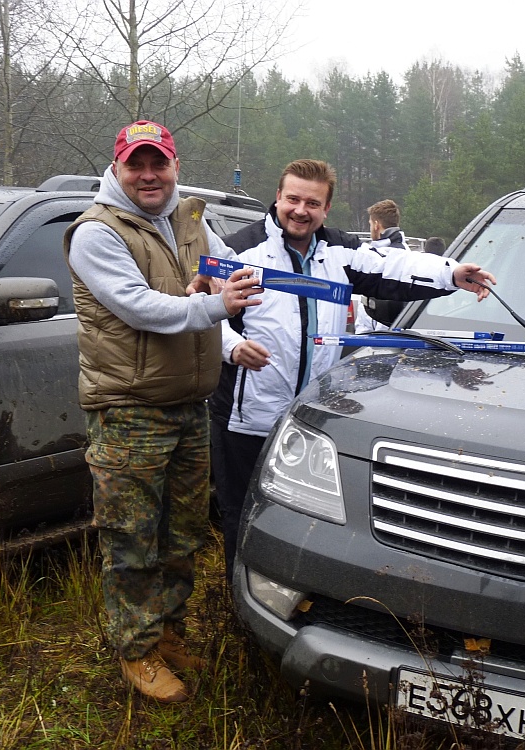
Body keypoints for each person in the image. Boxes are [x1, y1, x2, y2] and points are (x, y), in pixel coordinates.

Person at [195, 159, 496, 581]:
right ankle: (238, 595)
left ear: (327, 208)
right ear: (277, 197)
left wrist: (452, 273)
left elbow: (394, 265)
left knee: (302, 516)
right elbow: (205, 307)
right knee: (241, 514)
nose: (301, 211)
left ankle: (292, 595)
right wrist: (232, 347)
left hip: (309, 417)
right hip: (245, 419)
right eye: (293, 199)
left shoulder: (339, 250)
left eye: (312, 203)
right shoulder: (239, 249)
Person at [64, 120, 263, 703]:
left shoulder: (192, 219)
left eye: (159, 164)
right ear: (117, 168)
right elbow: (140, 307)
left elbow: (228, 270)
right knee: (132, 538)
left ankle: (166, 633)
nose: (149, 176)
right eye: (137, 165)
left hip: (189, 406)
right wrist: (216, 305)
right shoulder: (96, 232)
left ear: (175, 166)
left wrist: (230, 287)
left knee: (184, 534)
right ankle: (136, 651)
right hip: (129, 409)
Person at [354, 199, 409, 333]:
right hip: (372, 325)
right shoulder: (402, 252)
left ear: (376, 225)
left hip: (382, 329)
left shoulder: (393, 255)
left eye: (370, 224)